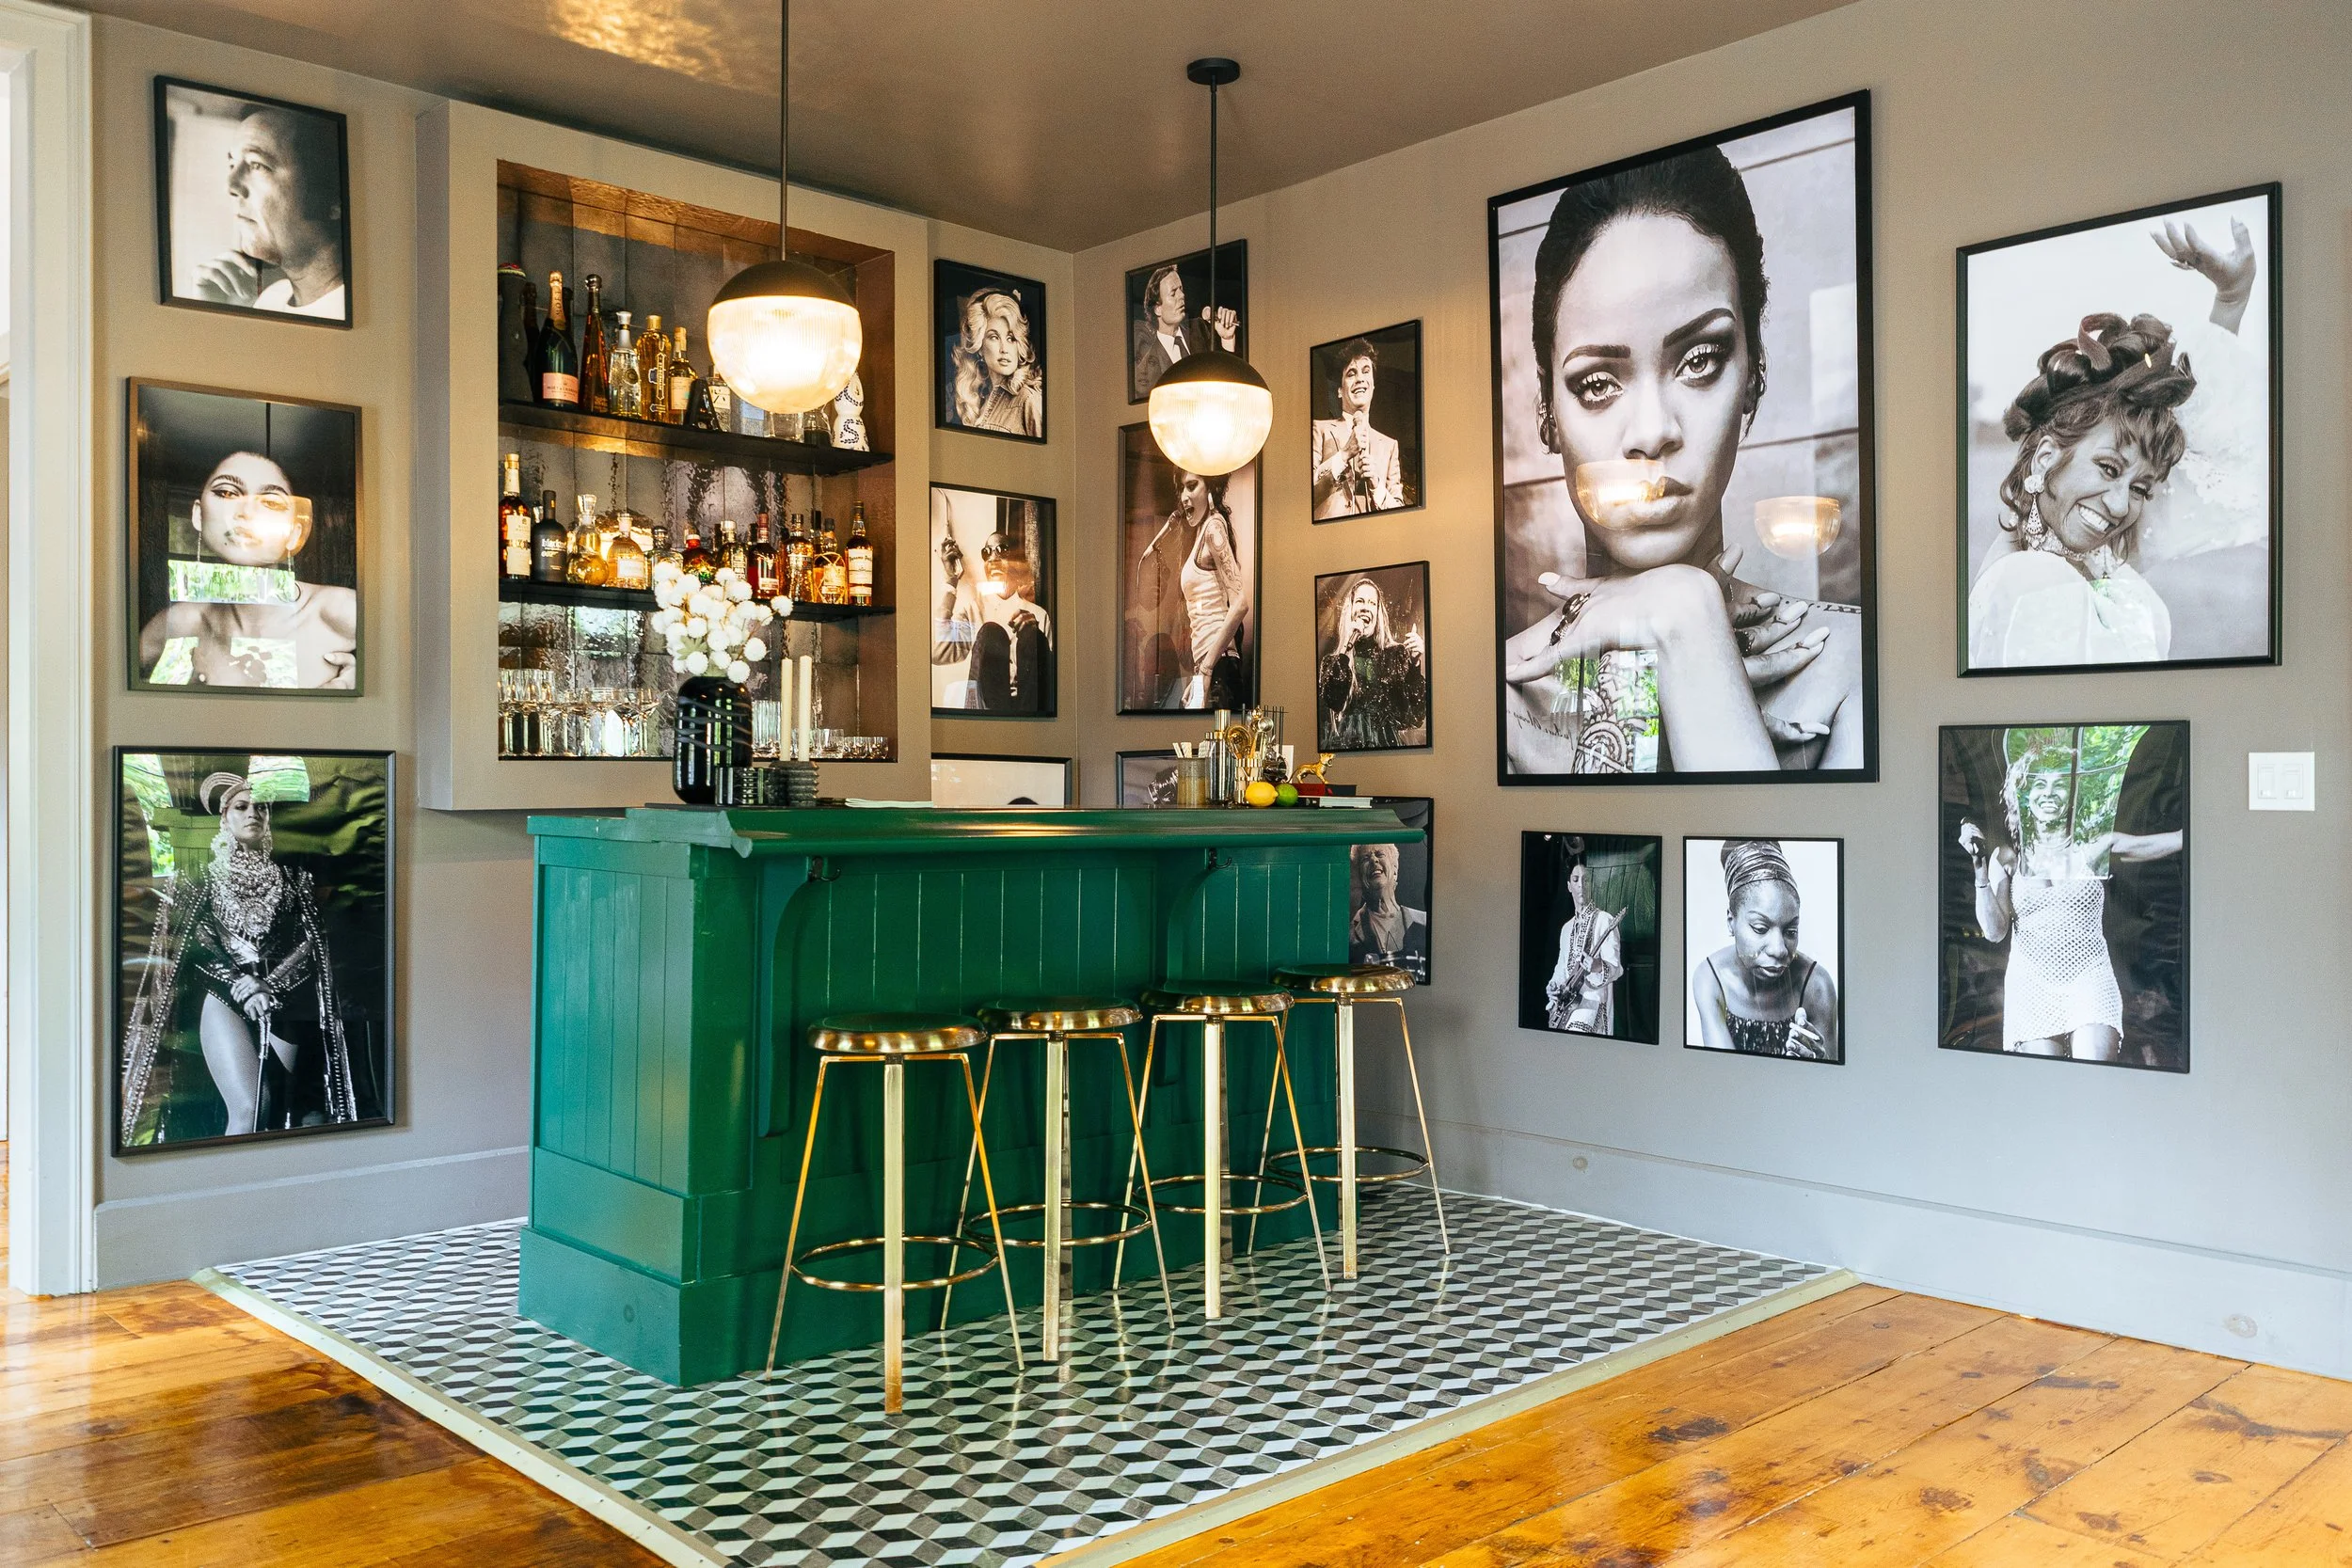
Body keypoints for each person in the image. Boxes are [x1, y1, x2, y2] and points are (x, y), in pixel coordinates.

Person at [1500, 145, 1862, 777]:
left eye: (1700, 361)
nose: (1652, 432)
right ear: (1548, 413)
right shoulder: (1499, 696)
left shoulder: (1852, 662)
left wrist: (1689, 623)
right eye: (1597, 383)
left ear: (1754, 376)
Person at [1967, 217, 2261, 668]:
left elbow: (2207, 439)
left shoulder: (2095, 555)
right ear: (2046, 458)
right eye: (2108, 468)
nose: (2122, 505)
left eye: (2141, 488)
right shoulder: (2030, 579)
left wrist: (2231, 299)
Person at [119, 770, 362, 1143]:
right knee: (250, 1106)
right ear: (225, 818)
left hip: (283, 997)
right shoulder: (199, 879)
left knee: (278, 1108)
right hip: (224, 995)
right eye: (242, 807)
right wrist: (241, 983)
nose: (253, 814)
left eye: (260, 807)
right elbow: (197, 943)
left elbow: (309, 943)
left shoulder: (295, 880)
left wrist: (269, 984)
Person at [1958, 728, 2183, 1063]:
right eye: (2039, 785)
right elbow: (1994, 932)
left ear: (2073, 796)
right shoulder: (2007, 857)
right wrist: (1978, 866)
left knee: (2093, 1073)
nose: (2049, 793)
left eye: (2059, 785)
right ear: (2024, 794)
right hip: (2030, 983)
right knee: (2043, 1082)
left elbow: (2172, 841)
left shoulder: (2094, 848)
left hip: (2088, 977)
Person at [138, 448, 358, 689]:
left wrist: (368, 683)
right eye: (226, 493)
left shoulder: (340, 610)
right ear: (199, 515)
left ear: (295, 533)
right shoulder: (180, 623)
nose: (247, 512)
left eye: (271, 502)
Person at [190, 105, 346, 320]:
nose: (231, 185)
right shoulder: (270, 299)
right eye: (232, 164)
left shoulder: (368, 309)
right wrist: (212, 315)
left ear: (333, 197)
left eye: (257, 165)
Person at [1691, 840, 1838, 1059]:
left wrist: (1819, 1063)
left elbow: (1836, 1073)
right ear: (1731, 921)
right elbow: (1723, 1071)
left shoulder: (1816, 985)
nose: (1779, 950)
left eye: (1791, 931)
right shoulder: (1712, 979)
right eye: (1760, 928)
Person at [1131, 467, 1248, 709]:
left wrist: (1206, 669)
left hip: (1219, 666)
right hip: (1211, 665)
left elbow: (1240, 604)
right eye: (1182, 489)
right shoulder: (1202, 532)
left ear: (1211, 488)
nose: (1184, 496)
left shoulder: (1214, 527)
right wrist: (1199, 674)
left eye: (1192, 486)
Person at [931, 527, 1054, 714]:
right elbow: (937, 652)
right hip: (985, 712)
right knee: (990, 632)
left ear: (1016, 561)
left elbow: (1053, 681)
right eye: (986, 552)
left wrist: (1035, 637)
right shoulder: (973, 611)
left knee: (1032, 635)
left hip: (1027, 712)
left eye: (1002, 550)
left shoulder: (1038, 615)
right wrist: (951, 581)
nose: (993, 558)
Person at [1317, 573, 1426, 750]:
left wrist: (1414, 666)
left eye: (1372, 603)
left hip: (1387, 749)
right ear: (1350, 609)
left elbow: (1414, 717)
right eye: (1360, 601)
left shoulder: (1395, 655)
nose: (1365, 607)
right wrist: (1347, 648)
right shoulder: (1332, 663)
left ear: (1378, 613)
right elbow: (1334, 700)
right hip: (1346, 749)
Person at [1311, 338, 1406, 517]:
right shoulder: (1319, 430)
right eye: (1351, 373)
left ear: (1373, 386)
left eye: (1366, 371)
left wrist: (1376, 485)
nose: (1360, 379)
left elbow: (1400, 511)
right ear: (1340, 391)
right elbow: (1304, 493)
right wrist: (1344, 455)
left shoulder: (1390, 445)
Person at [1131, 261, 1240, 399]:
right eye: (1173, 293)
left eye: (1181, 289)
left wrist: (1227, 338)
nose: (1182, 296)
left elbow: (1227, 379)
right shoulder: (1150, 358)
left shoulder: (1199, 328)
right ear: (1158, 308)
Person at [1544, 850, 1622, 1034]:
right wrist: (1553, 986)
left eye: (1586, 880)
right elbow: (1561, 969)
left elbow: (1617, 968)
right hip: (1567, 1004)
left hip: (1593, 1003)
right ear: (1569, 886)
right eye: (1576, 879)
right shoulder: (1566, 928)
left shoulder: (1605, 920)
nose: (1581, 885)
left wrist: (1598, 966)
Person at [949, 288, 1043, 437]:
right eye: (994, 337)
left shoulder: (1027, 399)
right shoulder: (979, 400)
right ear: (980, 347)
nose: (1004, 349)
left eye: (1011, 338)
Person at [1349, 841, 1428, 981]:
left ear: (1395, 869)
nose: (1374, 860)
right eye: (1365, 859)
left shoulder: (1425, 922)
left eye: (1380, 854)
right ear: (1359, 876)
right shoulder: (1348, 932)